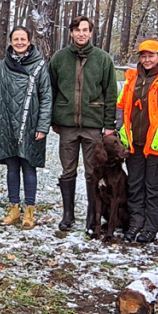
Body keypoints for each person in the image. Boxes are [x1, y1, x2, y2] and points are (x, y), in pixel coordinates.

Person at [48, 15, 119, 233]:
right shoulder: (59, 58)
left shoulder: (102, 59)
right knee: (68, 169)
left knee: (93, 172)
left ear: (90, 33)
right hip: (67, 124)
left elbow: (110, 93)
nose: (81, 33)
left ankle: (92, 215)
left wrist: (108, 125)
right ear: (71, 32)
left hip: (93, 124)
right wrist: (53, 118)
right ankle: (68, 215)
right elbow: (49, 90)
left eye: (85, 30)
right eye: (77, 29)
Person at [0, 26, 52, 230]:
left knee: (29, 167)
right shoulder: (3, 65)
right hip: (6, 123)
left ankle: (29, 211)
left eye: (23, 39)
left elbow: (47, 97)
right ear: (11, 41)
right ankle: (14, 209)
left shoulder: (39, 66)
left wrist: (42, 125)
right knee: (12, 168)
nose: (20, 42)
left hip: (30, 125)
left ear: (29, 41)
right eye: (16, 39)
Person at [116, 39, 158, 244]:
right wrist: (120, 128)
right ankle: (135, 223)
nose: (147, 59)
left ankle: (151, 227)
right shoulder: (131, 81)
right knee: (135, 186)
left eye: (151, 55)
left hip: (157, 145)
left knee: (154, 189)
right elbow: (120, 106)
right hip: (134, 144)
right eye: (143, 56)